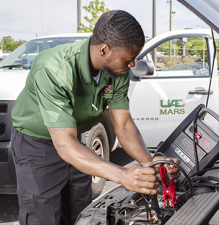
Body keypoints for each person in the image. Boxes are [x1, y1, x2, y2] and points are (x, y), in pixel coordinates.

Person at [11, 10, 179, 225]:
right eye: (128, 59)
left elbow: (124, 125)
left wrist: (151, 164)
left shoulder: (117, 71)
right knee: (42, 216)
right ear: (104, 49)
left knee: (80, 212)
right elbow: (64, 144)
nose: (132, 65)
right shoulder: (54, 68)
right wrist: (123, 175)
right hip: (36, 147)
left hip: (75, 142)